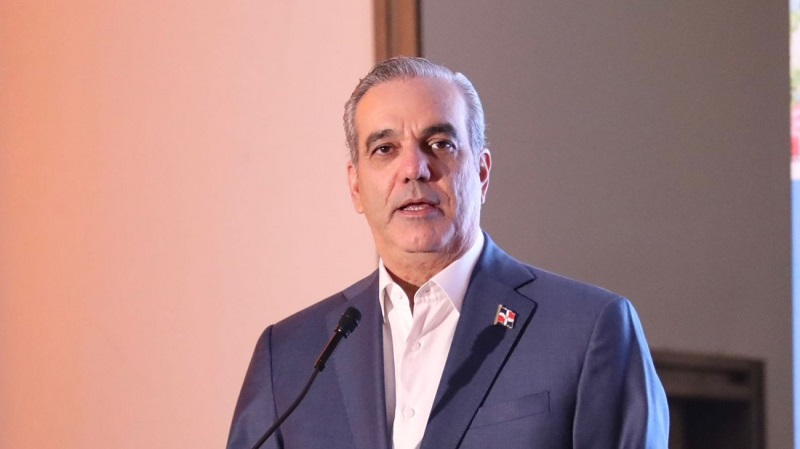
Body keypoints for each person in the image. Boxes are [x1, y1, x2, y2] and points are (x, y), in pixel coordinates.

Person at [227, 57, 669, 449]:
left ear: (481, 172)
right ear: (356, 186)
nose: (414, 169)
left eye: (440, 144)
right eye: (384, 149)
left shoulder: (588, 329)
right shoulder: (289, 356)